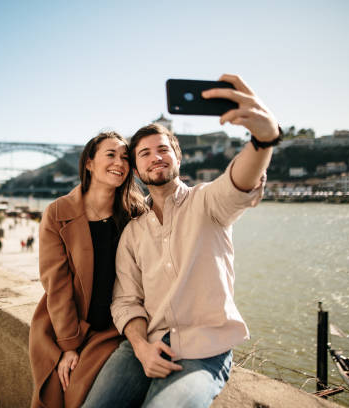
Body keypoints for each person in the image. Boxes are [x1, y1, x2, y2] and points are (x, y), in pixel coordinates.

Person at [83, 74, 281, 407]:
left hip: (204, 352)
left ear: (178, 157)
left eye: (163, 149)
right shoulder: (133, 232)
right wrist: (142, 347)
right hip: (141, 345)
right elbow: (126, 301)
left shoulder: (208, 203)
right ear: (136, 169)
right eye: (144, 153)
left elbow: (239, 182)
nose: (155, 157)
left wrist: (263, 139)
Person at [29, 131, 147, 408]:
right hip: (64, 326)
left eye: (125, 157)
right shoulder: (58, 212)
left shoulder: (136, 214)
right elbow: (56, 286)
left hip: (112, 329)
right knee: (58, 391)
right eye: (111, 154)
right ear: (89, 163)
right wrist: (69, 346)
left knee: (80, 395)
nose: (120, 162)